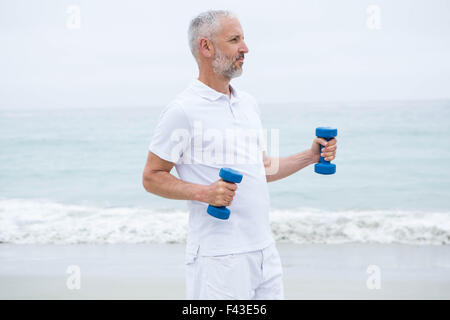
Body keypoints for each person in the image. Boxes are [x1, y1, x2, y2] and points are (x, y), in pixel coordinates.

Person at [142, 10, 337, 299]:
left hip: (264, 253)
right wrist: (204, 193)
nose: (245, 48)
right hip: (219, 259)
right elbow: (151, 177)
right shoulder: (182, 110)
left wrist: (309, 156)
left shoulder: (248, 104)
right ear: (206, 47)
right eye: (235, 40)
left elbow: (262, 168)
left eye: (244, 39)